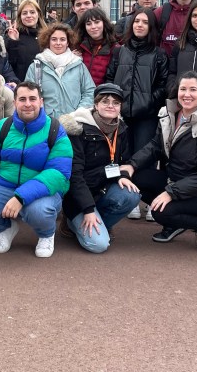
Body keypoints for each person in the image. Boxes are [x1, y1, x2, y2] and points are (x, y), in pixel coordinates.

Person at [122, 72, 197, 253]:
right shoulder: (171, 115)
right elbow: (155, 146)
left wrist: (171, 193)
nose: (187, 94)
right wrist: (131, 164)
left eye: (193, 90)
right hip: (179, 180)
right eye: (183, 89)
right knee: (135, 180)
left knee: (160, 212)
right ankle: (176, 222)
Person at [0, 80, 72, 258]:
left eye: (33, 99)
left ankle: (46, 235)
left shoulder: (55, 130)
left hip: (42, 189)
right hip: (3, 184)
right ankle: (5, 228)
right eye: (22, 99)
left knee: (39, 212)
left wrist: (20, 197)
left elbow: (58, 173)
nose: (28, 104)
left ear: (41, 101)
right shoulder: (3, 127)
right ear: (15, 102)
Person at [58, 84, 140, 253]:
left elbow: (123, 161)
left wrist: (123, 176)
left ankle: (100, 223)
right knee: (99, 245)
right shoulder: (78, 130)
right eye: (105, 101)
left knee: (131, 195)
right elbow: (74, 176)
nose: (111, 106)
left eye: (116, 103)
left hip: (103, 189)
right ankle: (71, 222)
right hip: (78, 196)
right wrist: (88, 210)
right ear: (96, 104)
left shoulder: (121, 129)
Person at [104, 8, 170, 155]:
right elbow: (110, 78)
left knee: (142, 157)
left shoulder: (159, 54)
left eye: (145, 22)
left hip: (146, 116)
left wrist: (149, 101)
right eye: (137, 21)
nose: (140, 25)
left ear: (151, 27)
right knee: (120, 156)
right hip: (120, 114)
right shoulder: (119, 51)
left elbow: (163, 84)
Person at [26, 22, 95, 117]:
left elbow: (90, 92)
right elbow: (29, 94)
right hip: (47, 121)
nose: (58, 43)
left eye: (62, 39)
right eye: (54, 39)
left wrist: (79, 113)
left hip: (75, 120)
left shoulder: (79, 65)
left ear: (68, 43)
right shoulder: (36, 67)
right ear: (48, 41)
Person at [74, 7, 118, 86]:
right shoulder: (79, 47)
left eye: (97, 22)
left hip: (103, 92)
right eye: (88, 24)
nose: (93, 27)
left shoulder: (115, 48)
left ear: (104, 23)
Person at [5, 0, 45, 80]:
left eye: (32, 12)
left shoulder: (47, 35)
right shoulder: (13, 34)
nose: (29, 16)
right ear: (20, 16)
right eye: (24, 13)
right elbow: (9, 64)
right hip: (21, 83)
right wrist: (13, 42)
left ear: (38, 14)